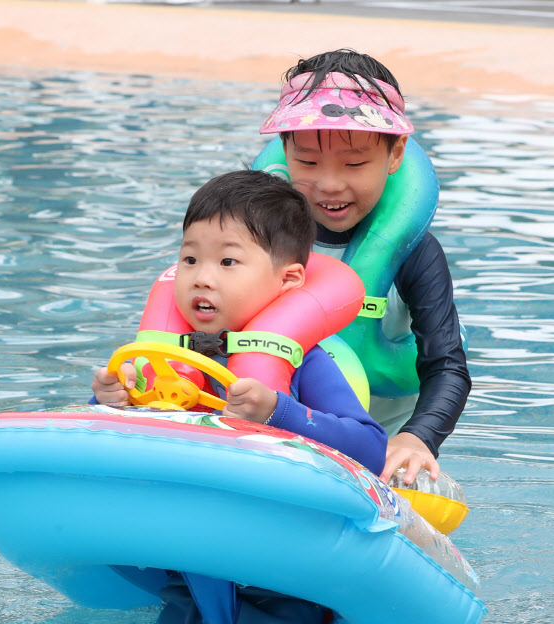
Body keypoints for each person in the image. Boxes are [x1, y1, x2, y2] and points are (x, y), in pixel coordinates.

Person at [259, 48, 471, 485]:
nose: (330, 184)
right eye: (308, 162)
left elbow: (447, 364)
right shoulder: (253, 237)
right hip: (273, 435)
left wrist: (418, 438)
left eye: (355, 163)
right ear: (284, 151)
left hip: (380, 452)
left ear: (395, 157)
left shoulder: (413, 253)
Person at [91, 169, 387, 476]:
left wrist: (277, 411)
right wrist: (111, 399)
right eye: (190, 260)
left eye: (227, 262)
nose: (202, 279)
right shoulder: (161, 358)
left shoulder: (306, 363)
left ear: (287, 278)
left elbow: (372, 450)